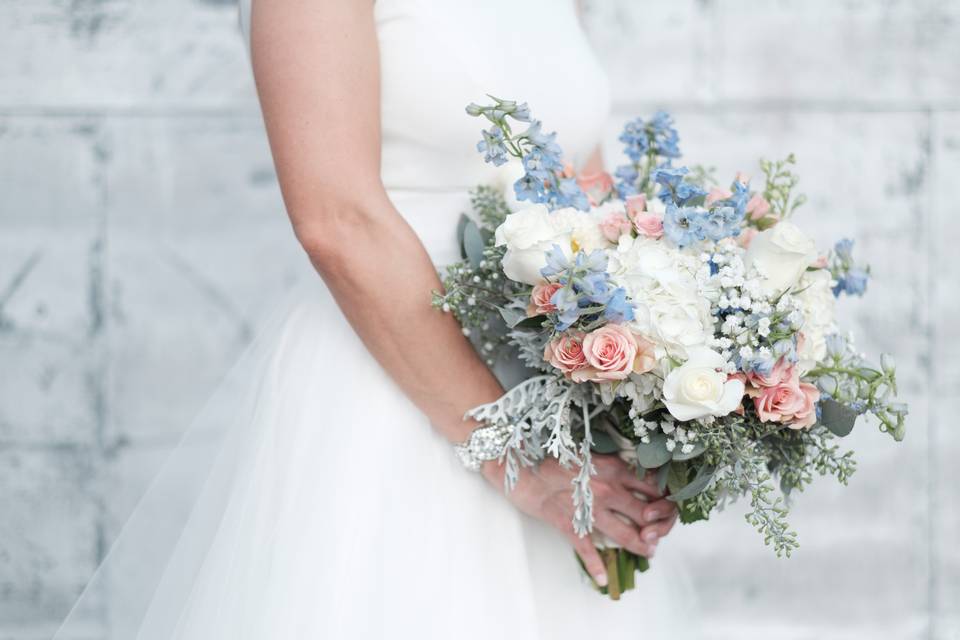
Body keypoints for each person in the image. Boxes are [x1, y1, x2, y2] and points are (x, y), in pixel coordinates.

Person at [54, 1, 692, 637]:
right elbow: (337, 221)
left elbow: (584, 183)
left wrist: (651, 375)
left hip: (555, 396)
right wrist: (519, 457)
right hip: (388, 395)